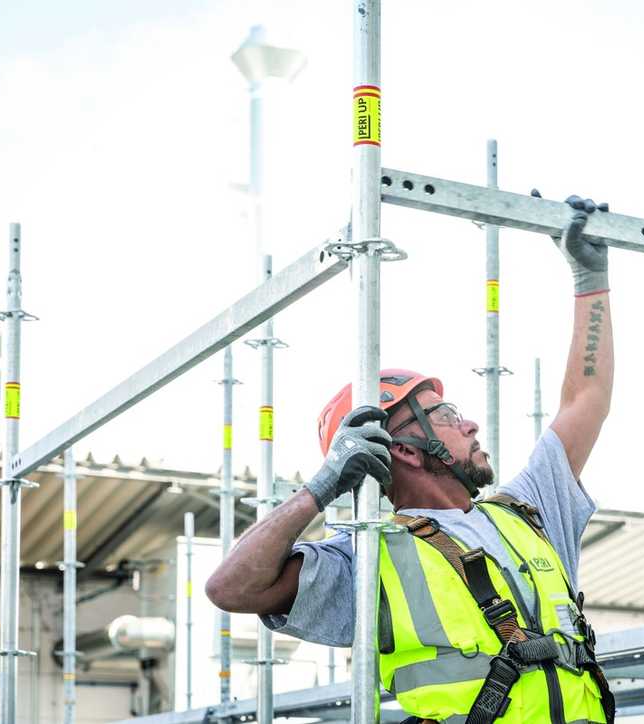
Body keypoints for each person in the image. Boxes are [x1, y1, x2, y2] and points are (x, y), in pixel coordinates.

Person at [206, 196, 615, 723]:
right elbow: (230, 588)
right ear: (402, 447)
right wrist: (323, 486)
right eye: (444, 414)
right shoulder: (368, 559)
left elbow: (586, 400)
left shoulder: (529, 511)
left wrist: (591, 278)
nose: (468, 424)